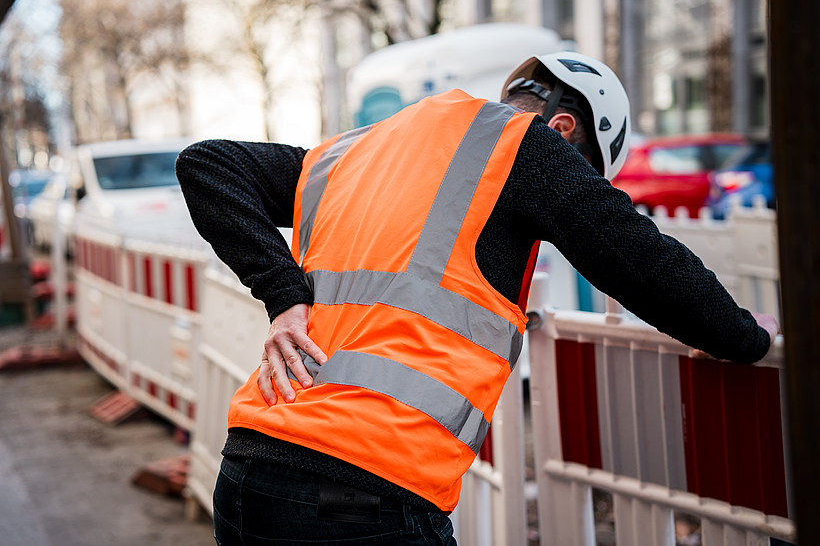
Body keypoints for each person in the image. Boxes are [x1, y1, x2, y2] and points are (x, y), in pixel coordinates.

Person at [175, 51, 778, 546]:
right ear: (565, 127)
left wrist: (285, 298)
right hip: (364, 492)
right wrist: (748, 338)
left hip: (249, 471)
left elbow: (209, 164)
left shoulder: (367, 147)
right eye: (588, 176)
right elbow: (645, 262)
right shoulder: (527, 147)